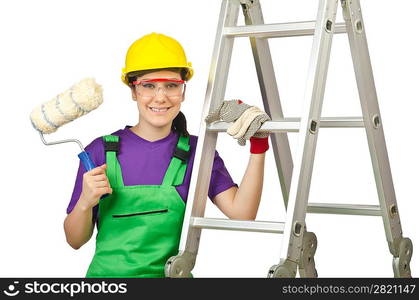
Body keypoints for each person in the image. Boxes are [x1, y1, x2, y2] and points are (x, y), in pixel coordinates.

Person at [63, 32, 270, 278]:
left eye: (171, 85)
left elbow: (242, 214)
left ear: (183, 91)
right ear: (133, 90)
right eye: (148, 86)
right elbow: (75, 240)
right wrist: (86, 201)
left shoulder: (197, 152)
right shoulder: (99, 151)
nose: (160, 97)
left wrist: (259, 145)